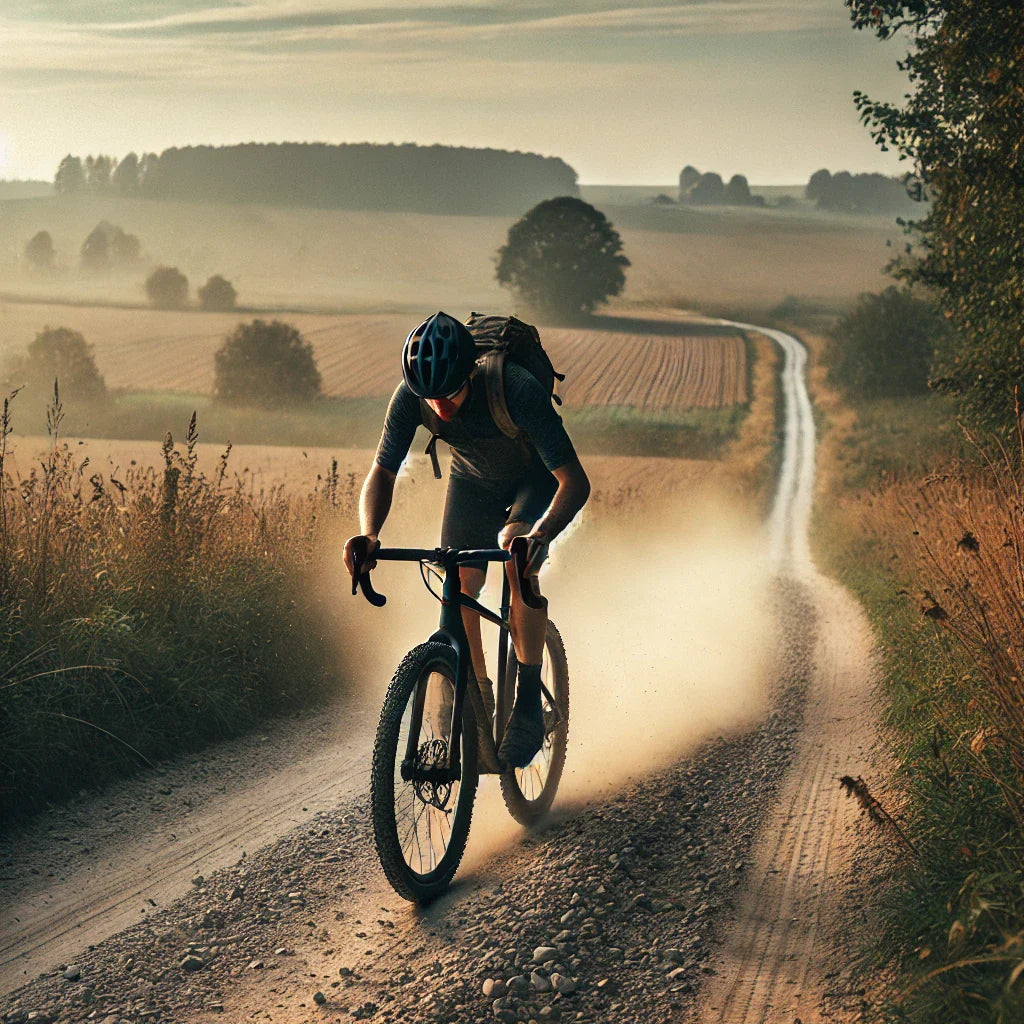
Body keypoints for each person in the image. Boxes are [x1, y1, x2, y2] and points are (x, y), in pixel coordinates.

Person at [344, 311, 590, 768]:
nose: (439, 407)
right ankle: (477, 700)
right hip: (473, 483)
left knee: (516, 553)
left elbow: (574, 482)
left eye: (449, 394)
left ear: (471, 373)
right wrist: (369, 534)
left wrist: (540, 535)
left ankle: (530, 701)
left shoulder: (515, 388)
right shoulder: (412, 396)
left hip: (532, 480)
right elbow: (383, 471)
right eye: (429, 399)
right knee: (456, 579)